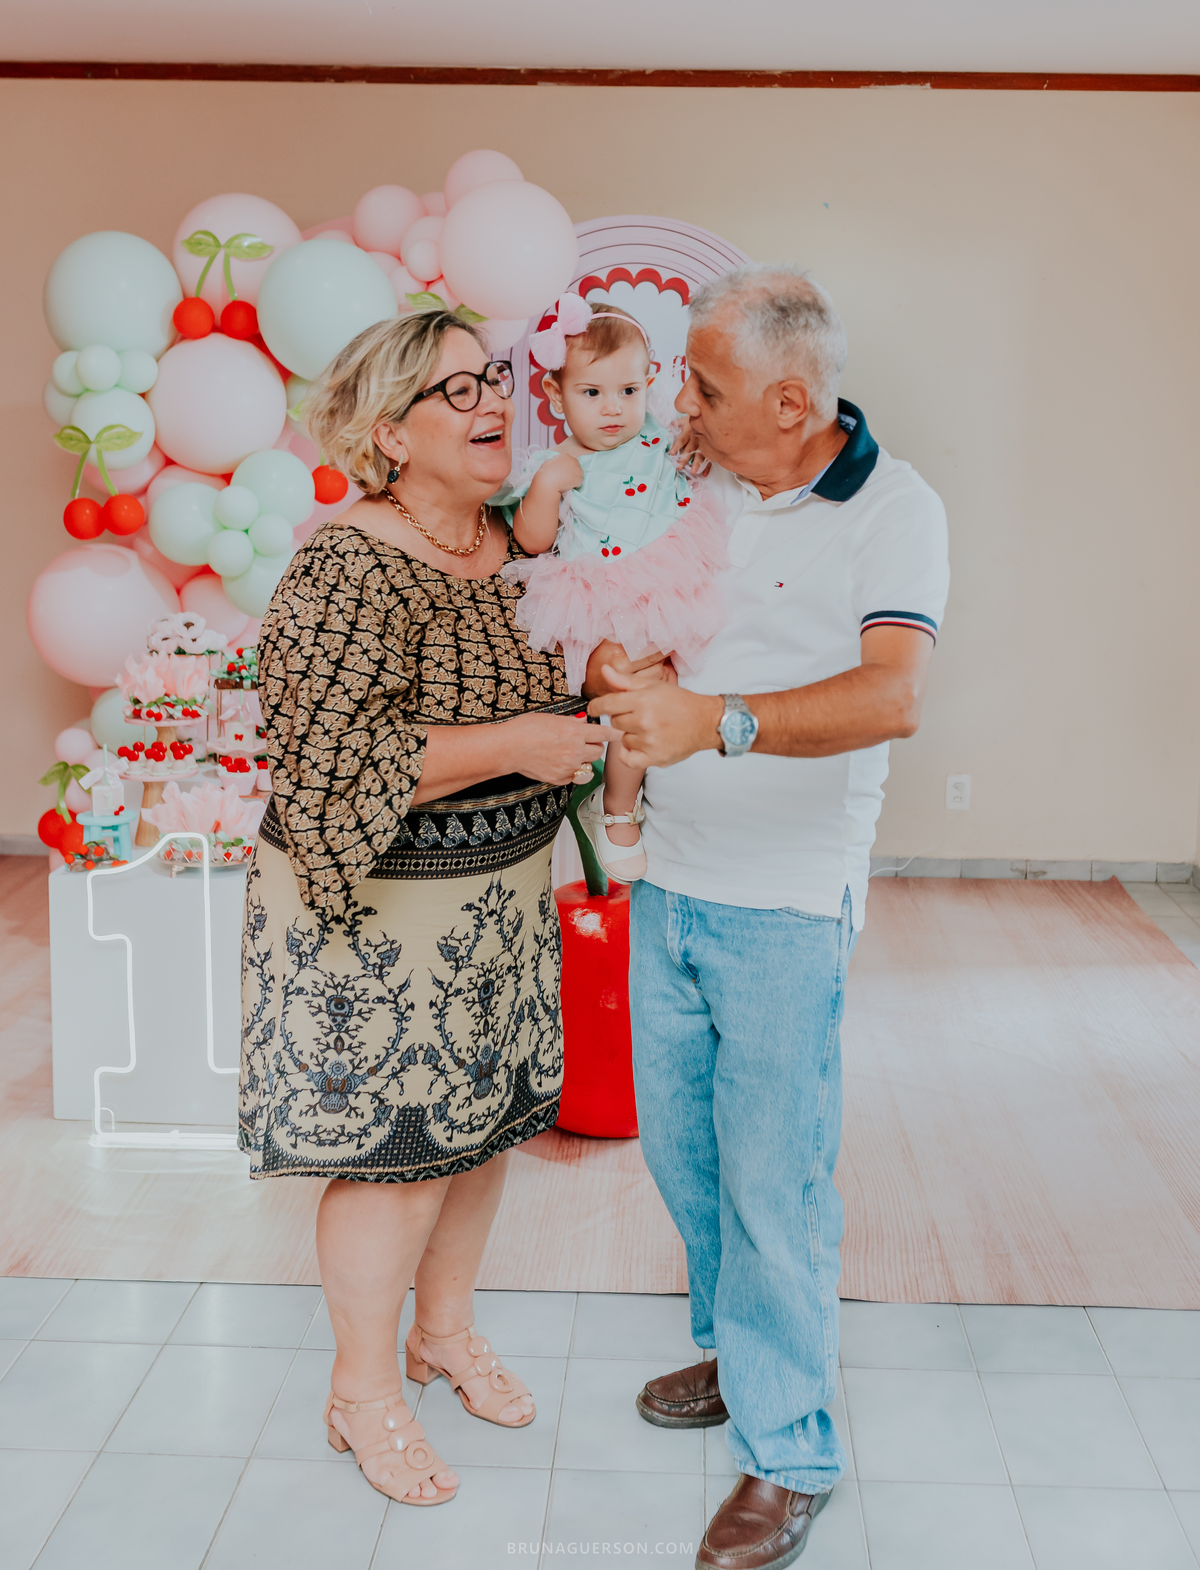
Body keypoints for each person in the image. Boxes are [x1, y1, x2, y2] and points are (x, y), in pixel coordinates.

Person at [587, 266, 950, 1570]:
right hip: (673, 881)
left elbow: (893, 695)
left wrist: (716, 722)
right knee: (683, 1158)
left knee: (773, 1179)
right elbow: (661, 642)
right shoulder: (706, 488)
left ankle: (789, 1451)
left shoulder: (894, 510)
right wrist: (632, 669)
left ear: (792, 399)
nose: (681, 399)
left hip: (787, 908)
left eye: (705, 381)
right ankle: (742, 1354)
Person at [238, 310, 617, 1508]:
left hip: (495, 905)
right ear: (391, 432)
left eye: (493, 379)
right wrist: (521, 740)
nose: (491, 400)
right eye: (455, 390)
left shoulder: (512, 544)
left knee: (480, 1125)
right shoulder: (347, 561)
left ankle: (441, 1334)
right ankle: (361, 1391)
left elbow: (552, 677)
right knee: (393, 1158)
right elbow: (326, 761)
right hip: (371, 916)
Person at [497, 294, 726, 883]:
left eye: (628, 391)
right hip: (600, 596)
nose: (613, 410)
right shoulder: (558, 461)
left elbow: (704, 455)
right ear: (555, 396)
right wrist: (547, 487)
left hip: (669, 582)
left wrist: (697, 444)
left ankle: (646, 798)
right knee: (634, 689)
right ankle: (619, 806)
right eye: (591, 393)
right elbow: (529, 539)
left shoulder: (662, 439)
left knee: (679, 683)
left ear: (650, 383)